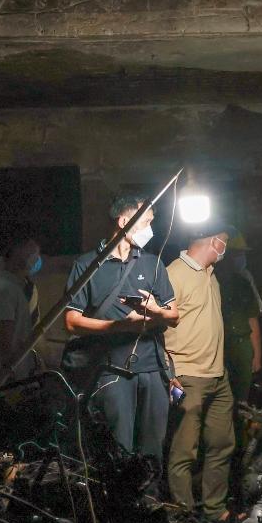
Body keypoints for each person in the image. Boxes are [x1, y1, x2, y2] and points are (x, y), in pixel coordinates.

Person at [61, 194, 179, 489]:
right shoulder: (87, 265)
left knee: (152, 450)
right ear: (124, 221)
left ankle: (151, 507)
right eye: (147, 222)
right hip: (111, 371)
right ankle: (117, 509)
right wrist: (118, 326)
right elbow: (71, 321)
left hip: (152, 369)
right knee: (119, 450)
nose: (151, 229)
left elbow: (174, 315)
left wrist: (156, 312)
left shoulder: (152, 263)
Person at [165, 224, 238, 523]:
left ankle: (215, 510)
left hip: (218, 377)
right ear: (213, 241)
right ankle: (184, 517)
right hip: (187, 377)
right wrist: (169, 374)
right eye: (225, 242)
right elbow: (157, 327)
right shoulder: (173, 274)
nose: (226, 248)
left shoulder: (211, 275)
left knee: (222, 444)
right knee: (184, 451)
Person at [0, 237, 42, 386]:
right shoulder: (5, 289)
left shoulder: (16, 288)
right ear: (17, 253)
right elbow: (4, 339)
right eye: (32, 251)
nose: (36, 257)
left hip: (20, 378)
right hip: (12, 382)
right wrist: (10, 377)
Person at [215, 233, 262, 403]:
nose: (239, 258)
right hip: (219, 346)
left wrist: (257, 355)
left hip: (242, 346)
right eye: (236, 253)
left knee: (241, 397)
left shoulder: (243, 282)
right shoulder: (210, 281)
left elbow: (252, 319)